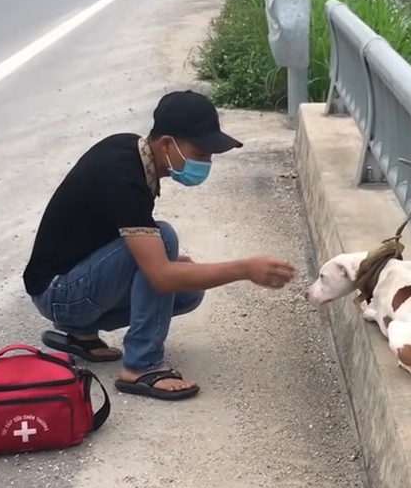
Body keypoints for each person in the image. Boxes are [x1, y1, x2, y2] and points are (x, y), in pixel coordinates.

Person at [22, 90, 295, 401]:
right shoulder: (123, 176)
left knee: (186, 288)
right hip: (59, 293)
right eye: (202, 153)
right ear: (167, 144)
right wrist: (246, 269)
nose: (206, 163)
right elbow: (161, 277)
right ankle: (141, 366)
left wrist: (171, 262)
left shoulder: (130, 151)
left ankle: (79, 334)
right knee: (163, 241)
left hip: (66, 285)